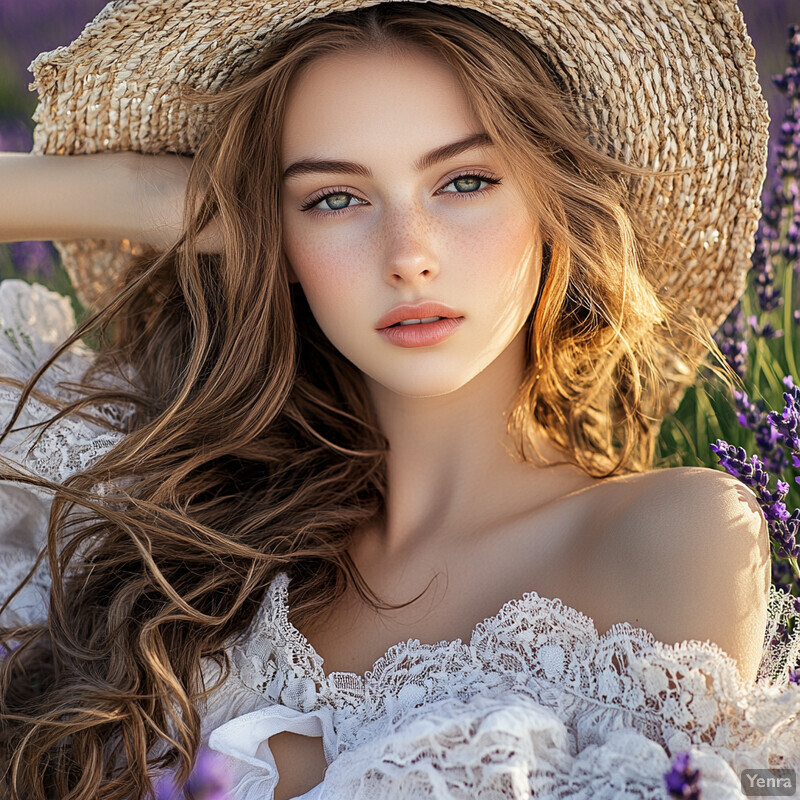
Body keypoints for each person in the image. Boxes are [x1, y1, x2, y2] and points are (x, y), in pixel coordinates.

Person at [0, 1, 798, 798]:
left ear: (556, 204)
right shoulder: (162, 515)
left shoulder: (671, 538)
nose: (409, 256)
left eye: (466, 181)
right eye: (335, 199)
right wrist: (141, 191)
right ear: (275, 241)